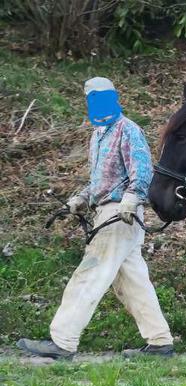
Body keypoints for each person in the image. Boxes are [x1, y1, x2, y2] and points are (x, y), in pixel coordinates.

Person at [17, 77, 175, 360]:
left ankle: (63, 341)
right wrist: (81, 199)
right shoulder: (99, 134)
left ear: (114, 98)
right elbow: (103, 182)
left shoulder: (128, 130)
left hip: (120, 215)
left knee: (90, 272)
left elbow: (142, 172)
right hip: (108, 209)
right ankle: (160, 342)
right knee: (132, 281)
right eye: (94, 98)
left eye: (104, 97)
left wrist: (131, 199)